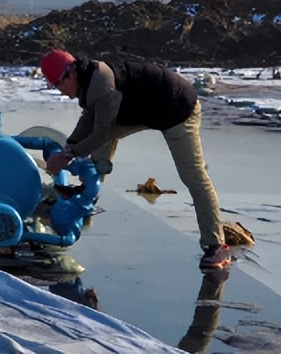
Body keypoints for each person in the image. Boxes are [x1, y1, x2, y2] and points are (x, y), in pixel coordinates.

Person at [39, 49, 230, 269]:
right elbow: (91, 116)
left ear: (70, 74)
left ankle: (216, 246)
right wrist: (71, 145)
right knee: (98, 148)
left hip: (177, 108)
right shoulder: (86, 78)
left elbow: (100, 132)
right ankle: (85, 203)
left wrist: (67, 155)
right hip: (142, 109)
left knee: (194, 176)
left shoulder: (101, 84)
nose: (60, 92)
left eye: (57, 84)